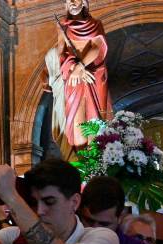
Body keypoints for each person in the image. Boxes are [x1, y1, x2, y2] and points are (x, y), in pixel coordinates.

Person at [57, 0, 112, 148]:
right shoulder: (63, 26)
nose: (72, 3)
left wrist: (80, 67)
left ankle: (96, 161)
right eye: (68, 0)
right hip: (74, 78)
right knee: (77, 122)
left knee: (96, 120)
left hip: (94, 75)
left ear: (84, 3)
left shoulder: (95, 24)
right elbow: (61, 53)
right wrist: (73, 67)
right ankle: (82, 157)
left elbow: (96, 47)